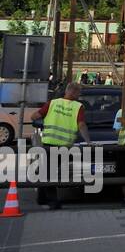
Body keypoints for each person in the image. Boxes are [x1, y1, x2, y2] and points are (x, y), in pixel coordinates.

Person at [33, 82, 91, 210]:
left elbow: (35, 116)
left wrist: (41, 122)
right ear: (74, 92)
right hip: (65, 145)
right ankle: (52, 201)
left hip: (48, 142)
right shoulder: (78, 106)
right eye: (79, 92)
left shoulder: (52, 103)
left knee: (47, 170)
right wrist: (88, 141)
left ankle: (42, 198)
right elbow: (81, 125)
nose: (79, 95)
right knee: (51, 172)